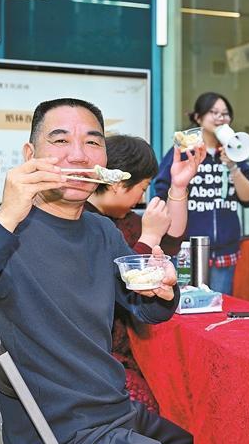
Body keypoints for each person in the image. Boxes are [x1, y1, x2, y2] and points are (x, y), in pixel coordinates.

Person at [0, 98, 215, 444]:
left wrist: (162, 288)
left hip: (116, 411)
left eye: (92, 142)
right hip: (60, 436)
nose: (79, 155)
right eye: (61, 140)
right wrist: (7, 217)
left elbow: (146, 309)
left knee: (208, 441)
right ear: (30, 154)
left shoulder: (102, 231)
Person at [86, 134, 206, 413]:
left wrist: (178, 186)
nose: (141, 197)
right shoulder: (86, 221)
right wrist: (149, 236)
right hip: (101, 355)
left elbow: (171, 240)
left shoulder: (125, 219)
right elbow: (116, 285)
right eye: (141, 188)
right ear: (117, 183)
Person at [154, 92, 249, 295]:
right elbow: (161, 190)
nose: (220, 117)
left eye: (225, 113)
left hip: (224, 250)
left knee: (218, 305)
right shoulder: (185, 151)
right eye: (214, 112)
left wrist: (233, 166)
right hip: (187, 249)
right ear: (198, 117)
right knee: (186, 304)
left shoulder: (235, 151)